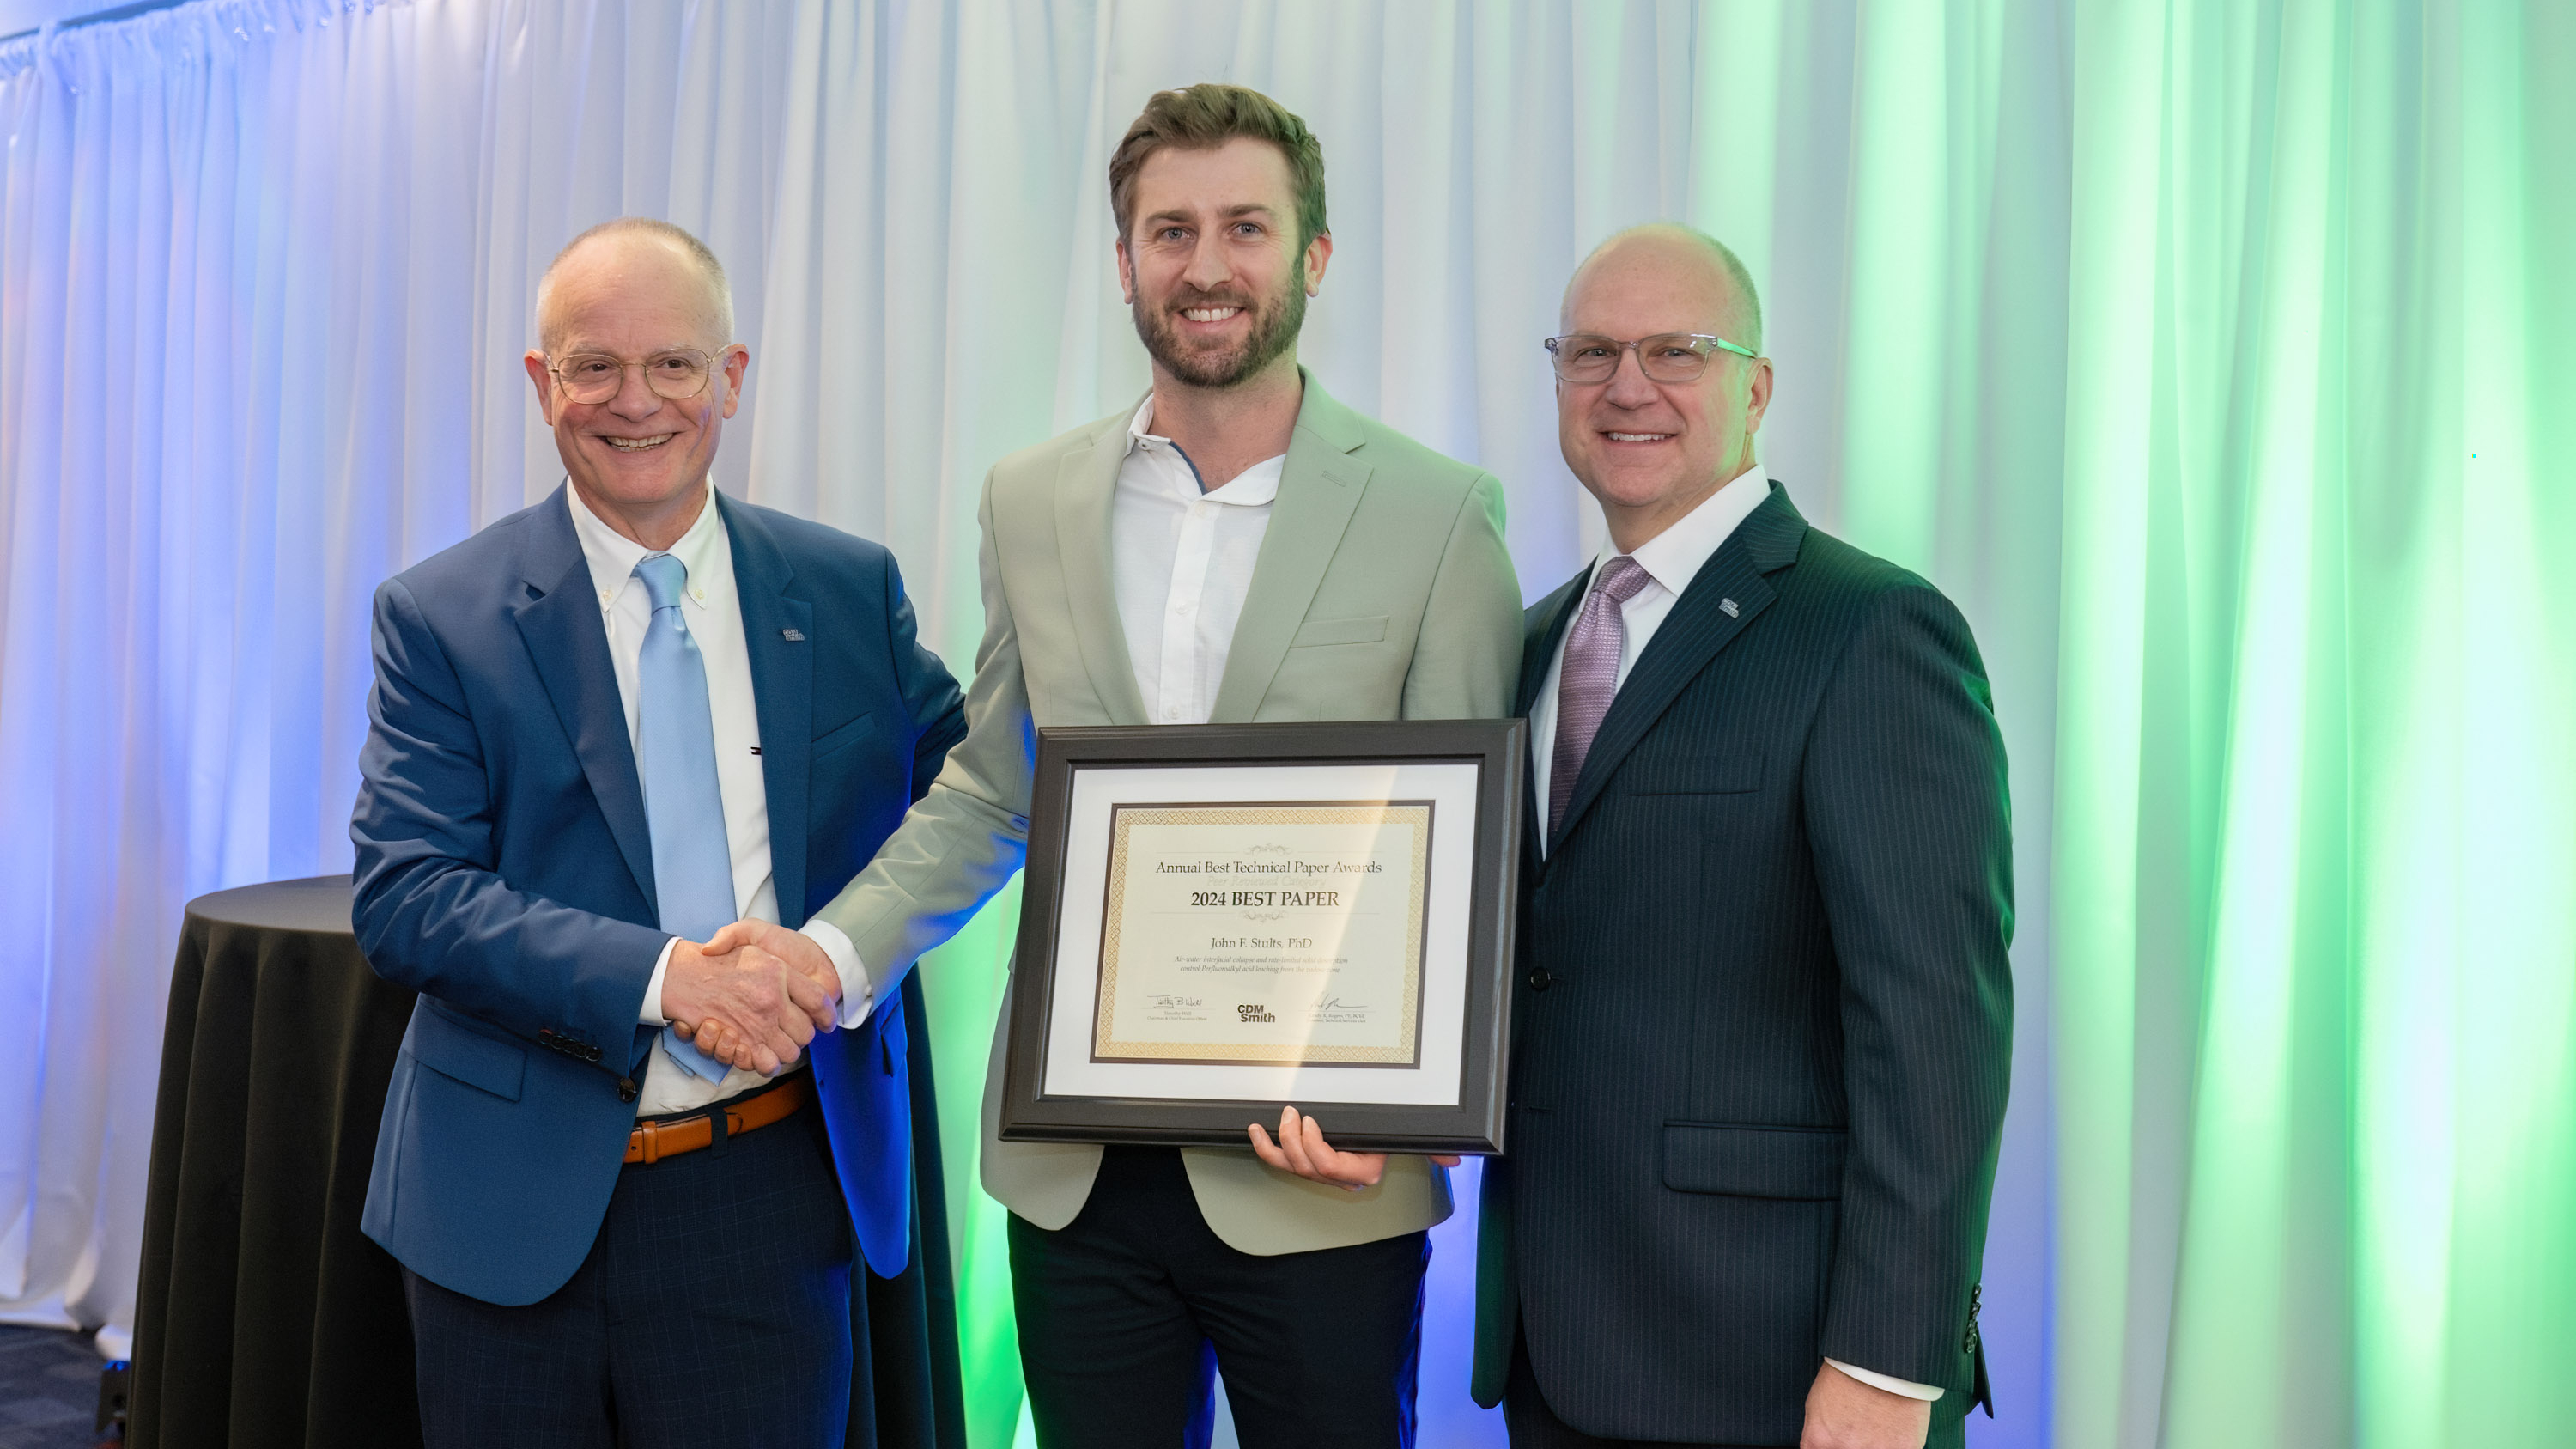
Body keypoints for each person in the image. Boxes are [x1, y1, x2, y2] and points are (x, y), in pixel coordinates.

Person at [702, 84, 1521, 1447]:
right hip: (1075, 1167)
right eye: (1170, 232)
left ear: (1312, 257)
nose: (1206, 266)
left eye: (1245, 228)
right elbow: (990, 787)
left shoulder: (1441, 515)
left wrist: (1427, 1105)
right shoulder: (1031, 500)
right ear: (1127, 261)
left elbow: (1469, 852)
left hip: (1317, 1164)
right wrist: (824, 959)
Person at [349, 217, 966, 1446]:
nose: (635, 402)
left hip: (770, 1195)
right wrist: (666, 978)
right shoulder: (442, 614)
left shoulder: (847, 590)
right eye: (594, 366)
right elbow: (409, 894)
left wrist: (841, 952)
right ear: (542, 383)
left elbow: (976, 797)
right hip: (505, 1208)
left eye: (674, 365)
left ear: (731, 376)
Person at [1495, 225, 2011, 1447]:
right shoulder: (1529, 642)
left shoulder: (1871, 631)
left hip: (1781, 1366)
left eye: (1679, 350)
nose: (1629, 385)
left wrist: (1890, 1361)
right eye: (1592, 353)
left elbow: (1934, 1024)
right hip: (1557, 1348)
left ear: (1757, 388)